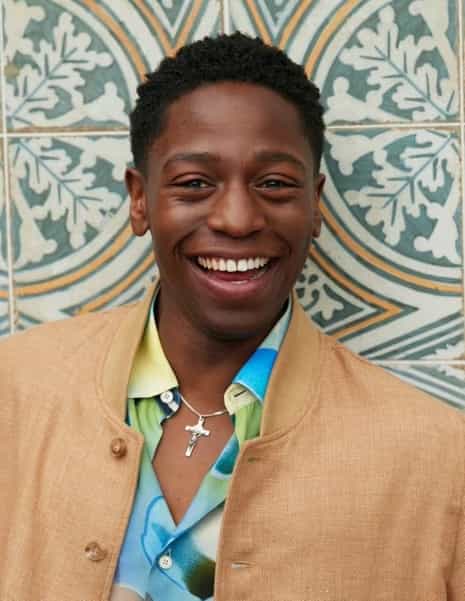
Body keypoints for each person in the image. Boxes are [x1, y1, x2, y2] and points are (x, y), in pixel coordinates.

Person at [1, 32, 464, 601]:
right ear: (140, 199)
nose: (238, 219)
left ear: (315, 203)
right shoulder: (13, 394)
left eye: (274, 184)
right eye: (195, 184)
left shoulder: (438, 458)